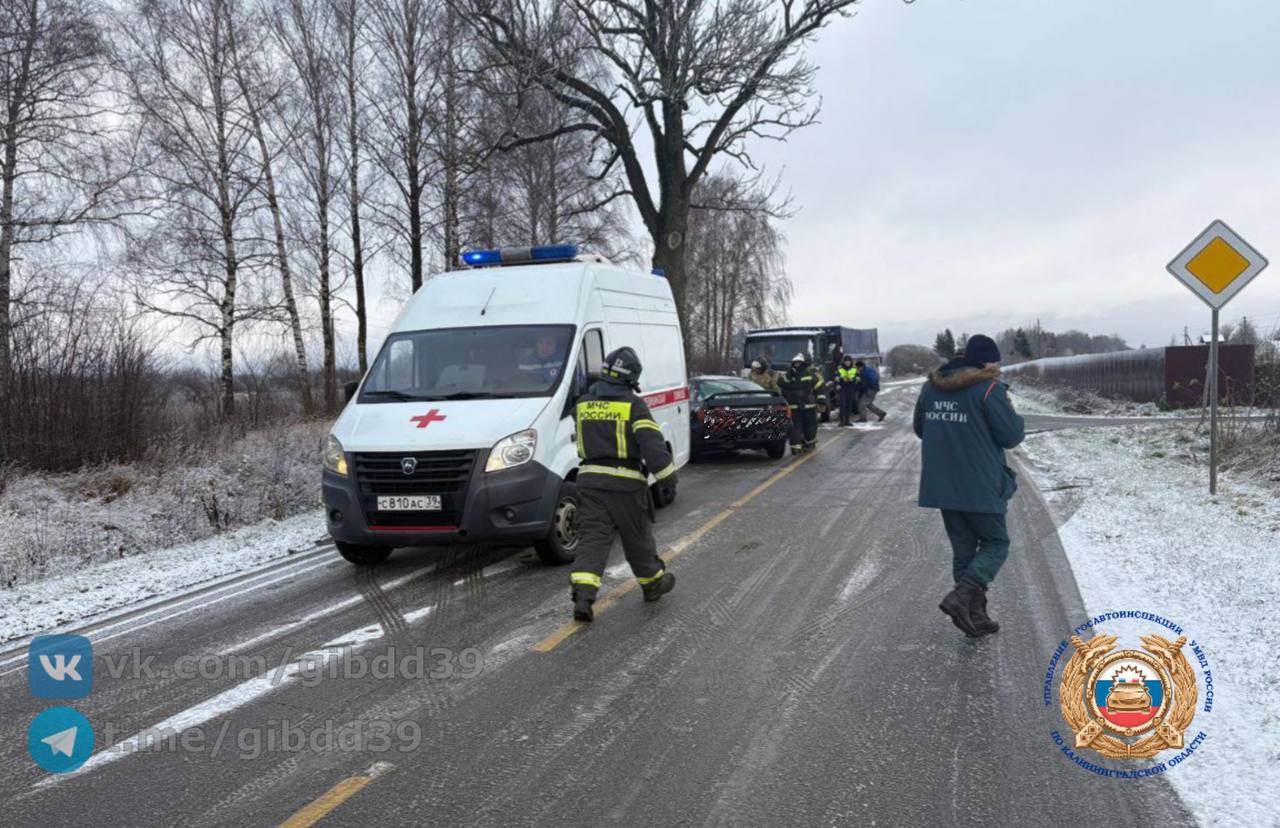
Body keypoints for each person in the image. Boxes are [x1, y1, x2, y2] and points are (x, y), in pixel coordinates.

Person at [912, 334, 1025, 638]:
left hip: (943, 484)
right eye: (996, 360)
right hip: (980, 483)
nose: (998, 366)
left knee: (964, 549)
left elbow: (921, 429)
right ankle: (963, 598)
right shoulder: (988, 389)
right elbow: (1011, 435)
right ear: (985, 361)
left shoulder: (931, 387)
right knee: (996, 543)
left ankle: (974, 615)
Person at [569, 346, 678, 622]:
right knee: (637, 538)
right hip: (626, 485)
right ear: (630, 378)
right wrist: (667, 479)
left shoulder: (582, 404)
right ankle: (653, 584)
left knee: (593, 539)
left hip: (590, 482)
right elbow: (652, 446)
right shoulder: (633, 405)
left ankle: (583, 596)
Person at [779, 353, 823, 454]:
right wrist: (789, 374)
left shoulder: (809, 374)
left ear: (803, 363)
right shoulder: (789, 375)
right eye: (795, 363)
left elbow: (819, 387)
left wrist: (821, 400)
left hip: (809, 406)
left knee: (810, 426)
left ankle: (810, 443)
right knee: (795, 428)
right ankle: (795, 447)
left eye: (799, 363)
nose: (797, 365)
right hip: (794, 407)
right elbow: (781, 383)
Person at [834, 355, 859, 427]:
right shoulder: (840, 369)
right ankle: (842, 421)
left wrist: (853, 379)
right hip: (842, 388)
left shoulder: (854, 369)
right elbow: (835, 378)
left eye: (849, 361)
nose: (847, 363)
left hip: (851, 388)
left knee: (849, 405)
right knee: (843, 404)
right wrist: (841, 379)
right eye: (846, 361)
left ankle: (847, 421)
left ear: (851, 362)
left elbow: (858, 378)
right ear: (843, 362)